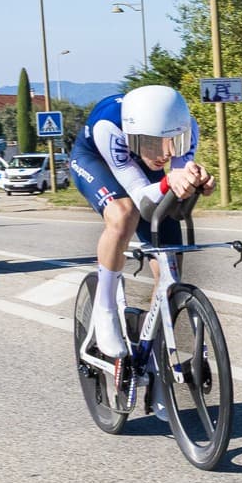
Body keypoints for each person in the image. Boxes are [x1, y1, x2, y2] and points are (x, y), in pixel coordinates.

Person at [67, 85, 213, 360]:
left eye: (173, 142)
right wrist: (169, 182)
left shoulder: (187, 126)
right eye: (155, 144)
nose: (165, 154)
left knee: (170, 268)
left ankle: (150, 344)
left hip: (139, 162)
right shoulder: (109, 127)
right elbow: (140, 198)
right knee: (124, 215)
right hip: (96, 160)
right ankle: (105, 309)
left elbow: (177, 176)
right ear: (135, 136)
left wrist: (195, 181)